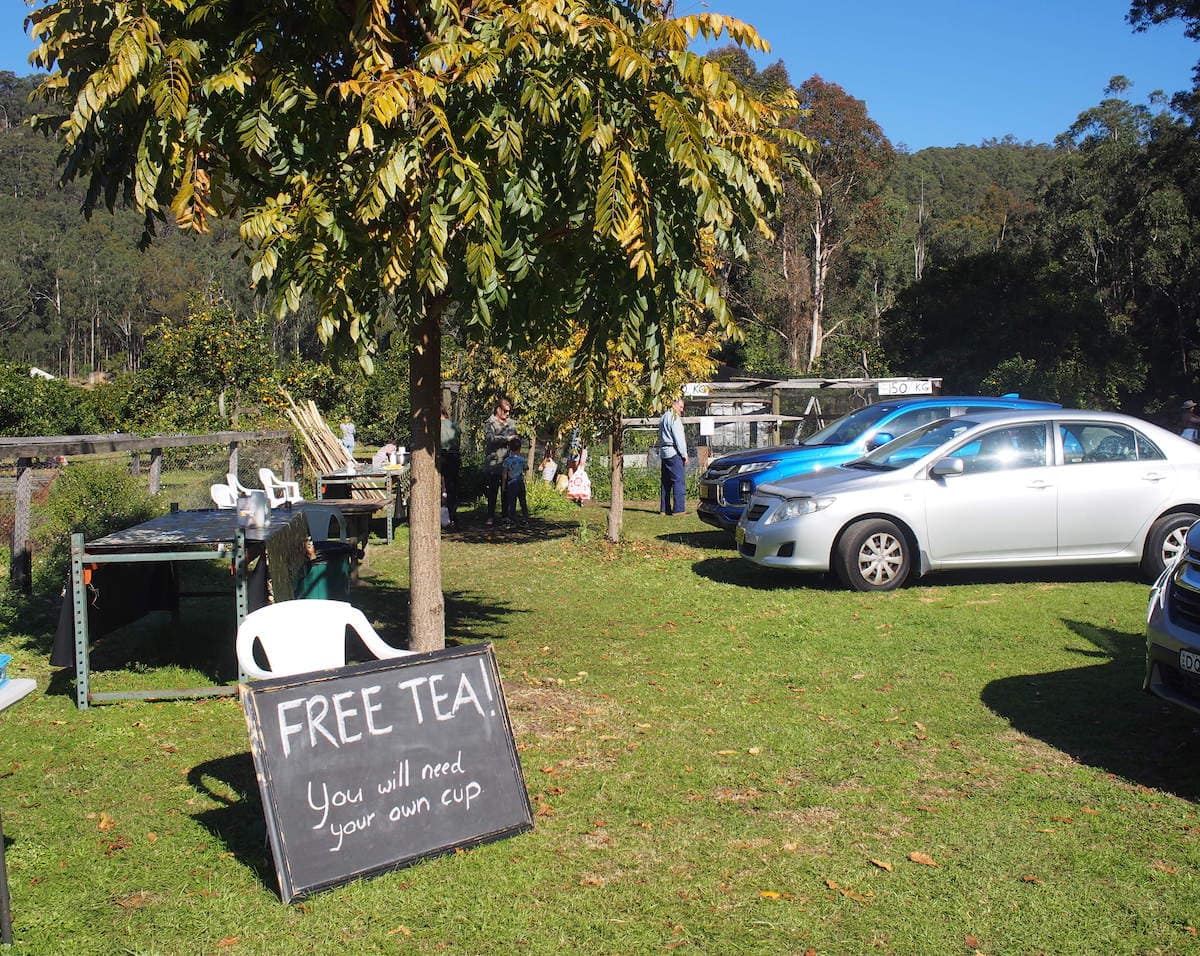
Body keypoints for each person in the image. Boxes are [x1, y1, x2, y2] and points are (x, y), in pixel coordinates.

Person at [482, 398, 517, 526]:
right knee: (492, 491)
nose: (507, 414)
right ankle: (490, 516)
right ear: (498, 409)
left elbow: (514, 439)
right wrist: (507, 439)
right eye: (505, 411)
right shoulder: (490, 423)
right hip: (493, 462)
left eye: (509, 412)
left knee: (506, 490)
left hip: (507, 463)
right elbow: (490, 439)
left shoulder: (511, 423)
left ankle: (505, 516)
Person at [658, 397, 688, 515]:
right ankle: (679, 509)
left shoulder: (663, 417)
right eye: (680, 407)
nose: (681, 410)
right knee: (678, 481)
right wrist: (684, 454)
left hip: (664, 452)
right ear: (674, 405)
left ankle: (664, 509)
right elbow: (679, 438)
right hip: (674, 452)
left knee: (666, 482)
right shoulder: (675, 418)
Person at [439, 406, 462, 528]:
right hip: (454, 456)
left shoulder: (436, 426)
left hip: (441, 457)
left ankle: (441, 516)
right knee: (452, 487)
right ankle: (452, 515)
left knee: (440, 487)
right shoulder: (454, 424)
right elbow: (458, 439)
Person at [502, 436, 530, 521]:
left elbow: (504, 474)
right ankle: (525, 517)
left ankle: (512, 518)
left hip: (511, 483)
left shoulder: (507, 460)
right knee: (522, 500)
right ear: (519, 449)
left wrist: (503, 486)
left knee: (512, 501)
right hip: (520, 481)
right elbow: (526, 467)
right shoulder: (521, 459)